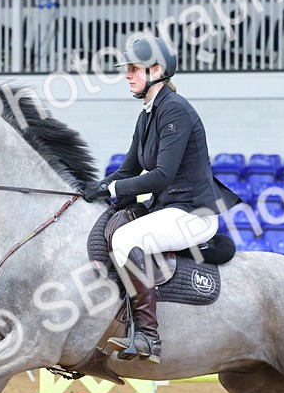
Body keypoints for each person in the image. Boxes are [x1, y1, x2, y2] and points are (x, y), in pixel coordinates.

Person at [81, 35, 240, 363]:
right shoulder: (147, 115)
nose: (127, 74)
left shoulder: (176, 111)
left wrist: (114, 190)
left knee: (126, 237)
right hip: (169, 209)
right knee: (113, 225)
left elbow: (162, 176)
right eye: (127, 69)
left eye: (134, 69)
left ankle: (148, 337)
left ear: (157, 71)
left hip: (194, 213)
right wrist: (95, 187)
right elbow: (127, 170)